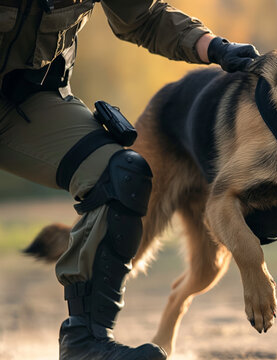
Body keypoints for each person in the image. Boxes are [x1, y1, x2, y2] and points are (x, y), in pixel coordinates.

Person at [0, 0, 259, 359]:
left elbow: (144, 16)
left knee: (121, 173)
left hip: (27, 101)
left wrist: (216, 47)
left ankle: (86, 344)